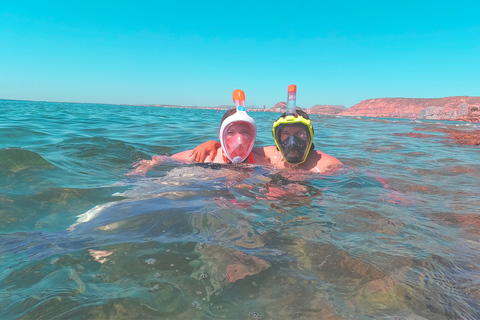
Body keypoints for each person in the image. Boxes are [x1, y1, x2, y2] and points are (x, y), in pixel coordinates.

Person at [191, 85, 343, 173]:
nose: (292, 141)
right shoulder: (274, 155)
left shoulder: (324, 164)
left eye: (299, 133)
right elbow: (240, 149)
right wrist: (214, 143)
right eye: (286, 134)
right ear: (277, 138)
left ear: (310, 135)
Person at [127, 90, 268, 176]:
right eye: (231, 132)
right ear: (221, 134)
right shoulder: (206, 157)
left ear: (252, 135)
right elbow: (160, 159)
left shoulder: (261, 161)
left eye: (244, 132)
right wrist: (142, 169)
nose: (239, 139)